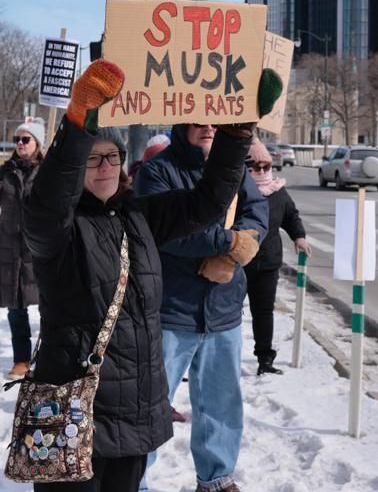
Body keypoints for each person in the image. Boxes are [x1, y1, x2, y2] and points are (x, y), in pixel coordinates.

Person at [24, 60, 281, 492]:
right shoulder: (57, 231)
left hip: (133, 412)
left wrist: (237, 133)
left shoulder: (139, 216)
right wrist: (78, 123)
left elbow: (208, 202)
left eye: (112, 157)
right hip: (73, 408)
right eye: (92, 159)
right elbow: (50, 198)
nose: (104, 166)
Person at [136, 123, 270, 492]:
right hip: (170, 309)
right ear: (182, 121)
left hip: (223, 309)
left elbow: (257, 212)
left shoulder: (235, 169)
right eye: (199, 118)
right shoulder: (157, 171)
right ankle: (134, 481)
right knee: (149, 406)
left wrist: (235, 253)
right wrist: (228, 243)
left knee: (220, 402)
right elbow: (167, 230)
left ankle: (216, 478)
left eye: (215, 119)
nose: (208, 126)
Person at [243, 140, 310, 376]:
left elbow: (291, 216)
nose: (262, 171)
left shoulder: (278, 191)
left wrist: (299, 236)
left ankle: (265, 359)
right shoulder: (237, 190)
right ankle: (221, 358)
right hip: (237, 263)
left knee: (263, 312)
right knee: (228, 314)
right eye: (256, 167)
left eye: (266, 166)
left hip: (268, 262)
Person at [0, 120, 45, 380]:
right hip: (9, 247)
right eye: (17, 140)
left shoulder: (47, 172)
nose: (20, 144)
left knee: (48, 306)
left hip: (38, 247)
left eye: (25, 139)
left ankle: (48, 356)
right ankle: (21, 360)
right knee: (16, 306)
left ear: (37, 143)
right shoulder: (6, 171)